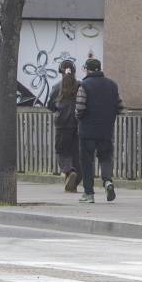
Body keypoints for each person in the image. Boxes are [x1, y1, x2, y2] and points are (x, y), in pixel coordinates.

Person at [75, 57, 123, 204]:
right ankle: (107, 181)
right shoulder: (112, 85)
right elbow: (120, 106)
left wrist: (78, 116)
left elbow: (80, 107)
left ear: (87, 69)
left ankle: (89, 194)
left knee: (87, 161)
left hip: (87, 131)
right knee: (105, 157)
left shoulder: (84, 85)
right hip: (106, 130)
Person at [46, 61, 81, 191]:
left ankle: (68, 171)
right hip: (78, 124)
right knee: (76, 153)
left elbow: (50, 105)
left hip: (62, 125)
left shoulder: (56, 88)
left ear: (61, 72)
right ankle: (74, 181)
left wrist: (58, 109)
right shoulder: (80, 86)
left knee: (62, 151)